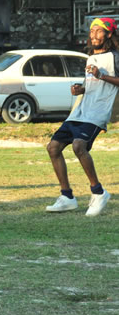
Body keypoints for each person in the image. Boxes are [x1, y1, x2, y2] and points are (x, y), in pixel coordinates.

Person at [46, 17, 119, 217]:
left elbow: (105, 80)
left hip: (97, 112)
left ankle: (99, 192)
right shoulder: (90, 57)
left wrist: (101, 76)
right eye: (92, 30)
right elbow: (92, 84)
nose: (93, 34)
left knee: (79, 146)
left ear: (109, 34)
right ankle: (67, 197)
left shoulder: (115, 57)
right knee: (53, 147)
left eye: (99, 31)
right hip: (80, 111)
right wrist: (81, 89)